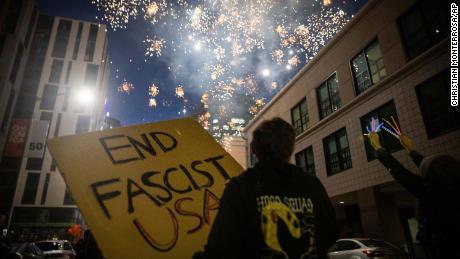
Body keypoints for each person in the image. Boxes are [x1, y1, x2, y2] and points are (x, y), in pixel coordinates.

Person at [194, 117, 338, 259]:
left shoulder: (240, 187)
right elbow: (331, 232)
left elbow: (221, 247)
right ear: (291, 147)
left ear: (253, 149)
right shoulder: (312, 185)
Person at [367, 132, 460, 259]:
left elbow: (402, 174)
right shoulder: (449, 185)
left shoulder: (435, 193)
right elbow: (433, 167)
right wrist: (411, 151)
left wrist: (379, 149)